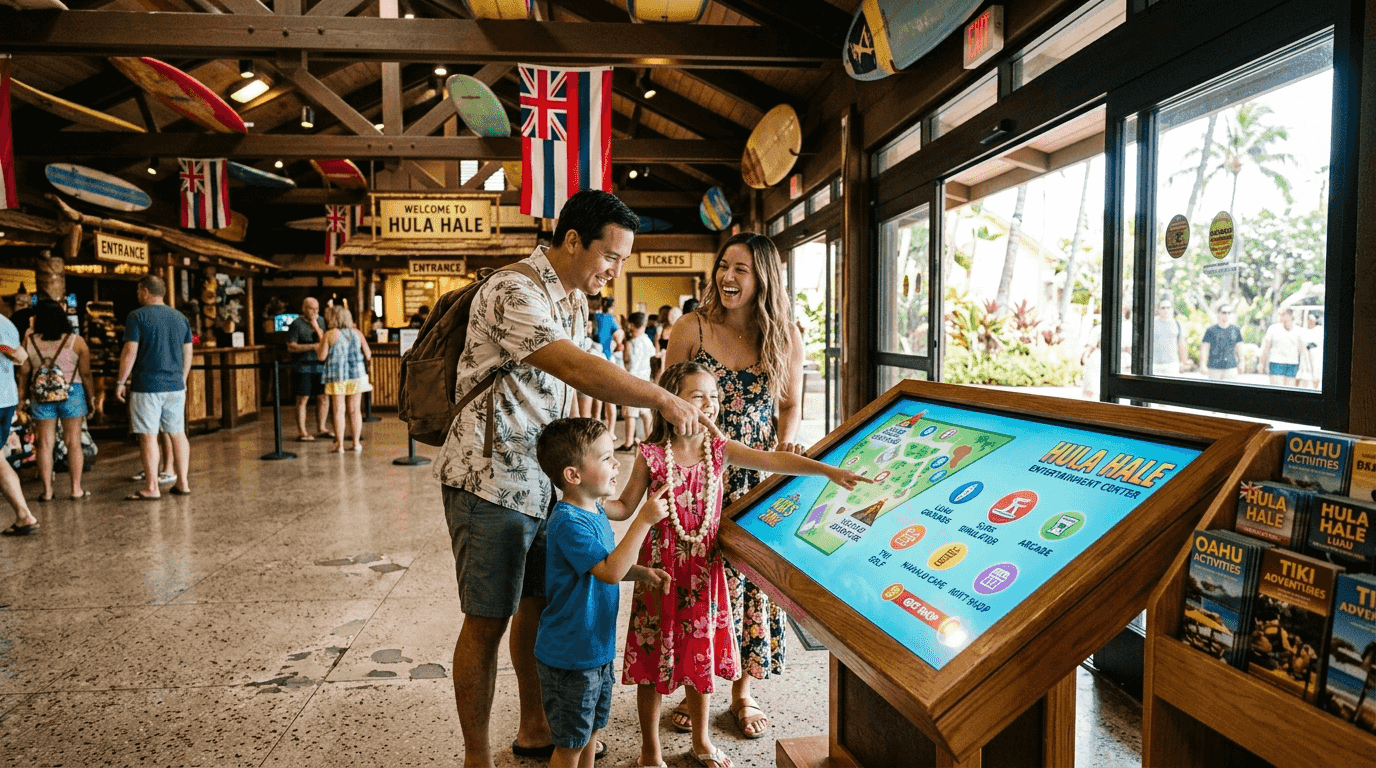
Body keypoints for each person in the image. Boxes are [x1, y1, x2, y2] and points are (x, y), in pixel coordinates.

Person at [432, 189, 715, 768]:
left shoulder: (573, 300)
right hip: (489, 480)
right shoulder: (513, 291)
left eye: (623, 260)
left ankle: (537, 726)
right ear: (571, 241)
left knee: (539, 605)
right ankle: (476, 757)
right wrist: (662, 398)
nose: (615, 271)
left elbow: (593, 366)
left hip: (549, 485)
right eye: (610, 256)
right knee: (487, 619)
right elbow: (573, 365)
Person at [608, 361, 868, 768]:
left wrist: (826, 471)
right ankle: (650, 751)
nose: (709, 404)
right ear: (670, 403)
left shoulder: (719, 450)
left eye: (714, 396)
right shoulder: (651, 456)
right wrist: (582, 498)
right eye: (697, 396)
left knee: (700, 658)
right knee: (651, 662)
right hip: (659, 575)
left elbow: (773, 461)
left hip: (702, 575)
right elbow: (624, 506)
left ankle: (701, 741)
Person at [663, 232, 805, 739]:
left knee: (752, 583)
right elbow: (666, 401)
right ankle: (693, 687)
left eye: (740, 269)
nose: (727, 276)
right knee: (699, 579)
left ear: (763, 277)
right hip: (700, 473)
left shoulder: (784, 336)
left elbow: (789, 404)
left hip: (756, 478)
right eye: (724, 265)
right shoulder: (692, 328)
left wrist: (786, 442)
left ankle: (744, 691)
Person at [532, 417, 671, 768]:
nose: (617, 464)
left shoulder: (593, 509)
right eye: (607, 458)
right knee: (570, 744)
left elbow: (603, 564)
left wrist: (641, 572)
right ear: (573, 475)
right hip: (570, 656)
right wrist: (643, 521)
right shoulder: (568, 522)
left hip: (595, 649)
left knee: (592, 730)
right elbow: (608, 572)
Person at [116, 275, 193, 501]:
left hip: (147, 385)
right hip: (175, 385)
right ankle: (183, 482)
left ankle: (151, 487)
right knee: (178, 433)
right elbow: (188, 352)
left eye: (139, 291)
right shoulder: (180, 317)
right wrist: (182, 379)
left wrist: (121, 381)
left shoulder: (137, 316)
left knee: (148, 436)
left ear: (146, 291)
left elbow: (130, 351)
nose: (138, 295)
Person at [18, 301, 92, 501]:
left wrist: (21, 398)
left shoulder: (29, 341)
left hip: (41, 395)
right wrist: (90, 398)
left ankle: (47, 491)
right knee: (73, 442)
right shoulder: (76, 341)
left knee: (44, 444)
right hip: (72, 393)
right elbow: (86, 374)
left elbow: (24, 373)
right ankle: (76, 489)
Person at [0, 313, 38, 536]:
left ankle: (24, 514)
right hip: (7, 398)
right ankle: (23, 515)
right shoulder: (7, 323)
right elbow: (21, 360)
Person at [316, 305, 371, 453]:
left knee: (338, 410)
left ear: (333, 318)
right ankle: (356, 443)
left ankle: (339, 445)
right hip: (357, 376)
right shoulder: (357, 333)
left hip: (337, 376)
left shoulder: (330, 334)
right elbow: (368, 354)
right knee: (355, 410)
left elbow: (321, 356)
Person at [286, 297, 330, 442]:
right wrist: (311, 346)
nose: (314, 312)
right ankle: (302, 432)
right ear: (304, 308)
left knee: (323, 397)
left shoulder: (321, 321)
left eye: (316, 309)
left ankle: (322, 428)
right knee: (303, 398)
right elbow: (291, 346)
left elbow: (325, 341)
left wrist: (316, 326)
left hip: (320, 366)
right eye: (311, 308)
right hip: (302, 366)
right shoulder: (296, 324)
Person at [618, 312, 654, 451]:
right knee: (645, 412)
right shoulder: (647, 340)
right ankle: (650, 440)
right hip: (645, 380)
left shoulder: (630, 342)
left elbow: (627, 362)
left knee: (630, 414)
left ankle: (628, 442)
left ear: (632, 325)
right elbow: (653, 356)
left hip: (632, 381)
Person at [1259, 308, 1310, 387]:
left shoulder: (1299, 331)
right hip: (1276, 363)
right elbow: (1266, 347)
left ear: (1290, 316)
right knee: (1277, 388)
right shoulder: (1273, 329)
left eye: (1283, 314)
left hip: (1292, 364)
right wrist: (1261, 363)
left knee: (1290, 388)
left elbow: (1301, 350)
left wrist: (1305, 367)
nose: (1281, 317)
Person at [1200, 304, 1243, 381]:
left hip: (1231, 368)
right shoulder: (1210, 330)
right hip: (1214, 368)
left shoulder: (1236, 329)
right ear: (1218, 314)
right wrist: (1203, 365)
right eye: (1224, 312)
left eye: (1229, 312)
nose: (1227, 315)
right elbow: (1205, 349)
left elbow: (1239, 348)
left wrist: (1242, 363)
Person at [1151, 299, 1186, 376]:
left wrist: (1183, 362)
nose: (1165, 310)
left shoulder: (1178, 324)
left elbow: (1181, 344)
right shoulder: (1152, 323)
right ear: (1158, 309)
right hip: (1154, 364)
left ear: (1172, 309)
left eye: (1168, 307)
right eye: (1163, 308)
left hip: (1172, 364)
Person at [1296, 313, 1324, 389]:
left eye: (1311, 319)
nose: (1309, 321)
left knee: (1316, 377)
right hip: (1305, 358)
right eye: (1308, 319)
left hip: (1316, 358)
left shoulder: (1320, 330)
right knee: (1302, 377)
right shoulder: (1304, 331)